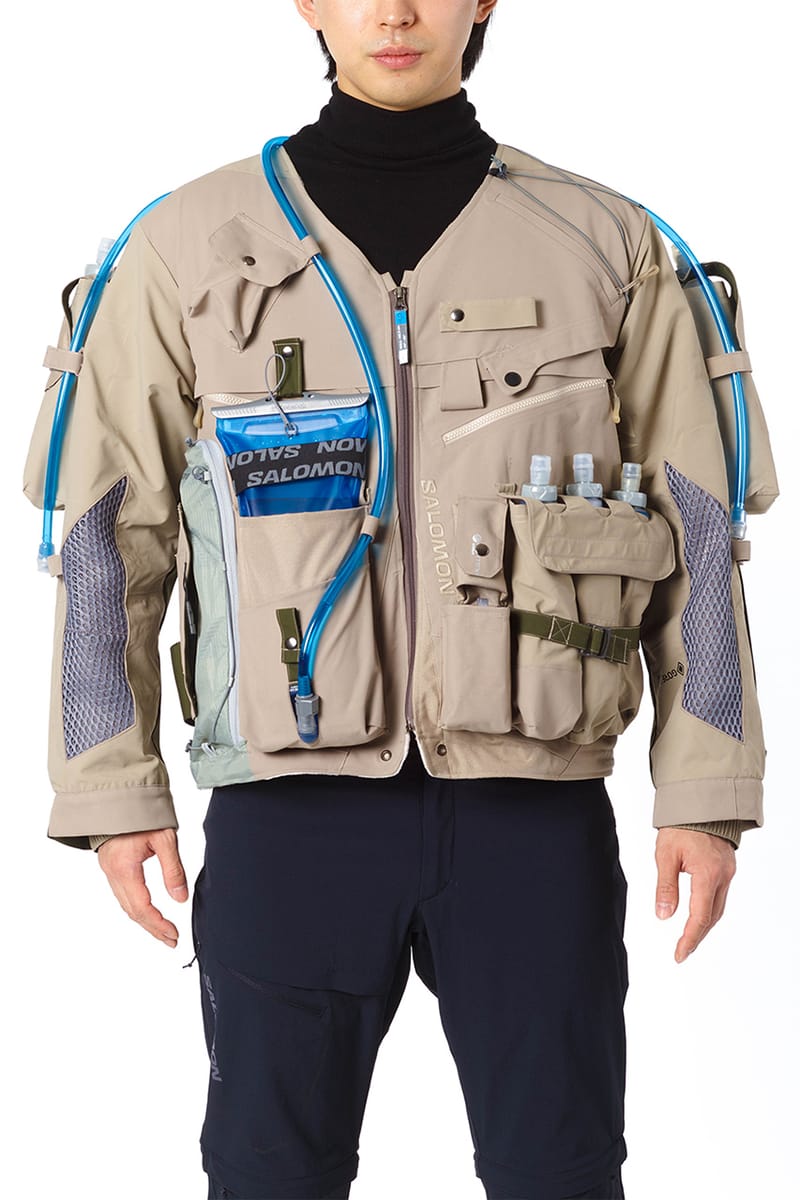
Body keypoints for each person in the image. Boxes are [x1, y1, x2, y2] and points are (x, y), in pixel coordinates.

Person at [25, 2, 777, 1198]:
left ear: (483, 1)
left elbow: (697, 526)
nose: (393, 11)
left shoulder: (609, 243)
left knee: (561, 1174)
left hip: (533, 819)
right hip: (287, 820)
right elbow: (105, 539)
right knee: (267, 1175)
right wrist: (111, 790)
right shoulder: (181, 247)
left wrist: (705, 790)